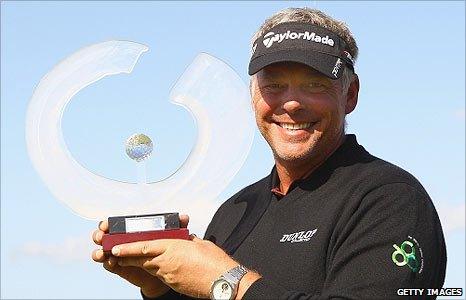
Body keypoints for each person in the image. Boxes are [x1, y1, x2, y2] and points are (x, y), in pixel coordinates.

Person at [92, 7, 446, 299]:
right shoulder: (234, 212)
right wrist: (160, 286)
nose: (291, 103)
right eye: (273, 85)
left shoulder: (391, 200)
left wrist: (229, 282)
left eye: (315, 84)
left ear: (350, 94)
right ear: (253, 95)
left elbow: (227, 287)